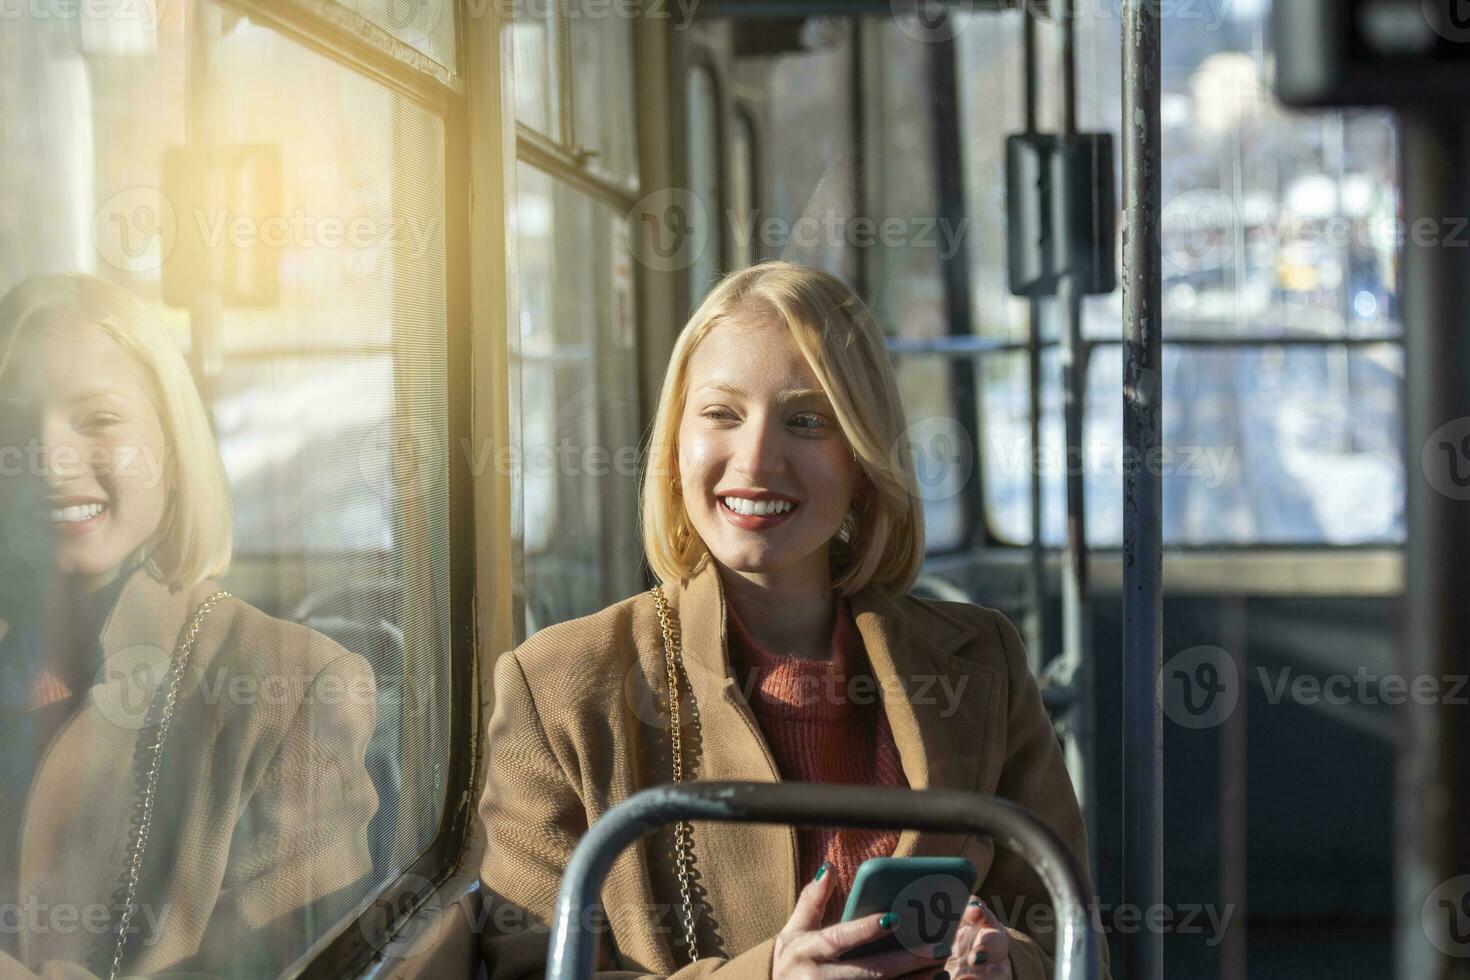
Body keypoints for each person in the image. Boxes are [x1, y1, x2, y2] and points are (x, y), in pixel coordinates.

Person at [477, 261, 1108, 979]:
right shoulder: (558, 687)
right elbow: (524, 968)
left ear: (863, 458)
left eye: (806, 421)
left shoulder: (980, 662)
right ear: (676, 444)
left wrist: (1008, 968)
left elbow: (1069, 946)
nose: (755, 459)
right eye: (721, 414)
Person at [0, 274, 379, 979]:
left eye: (98, 420)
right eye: (16, 425)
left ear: (173, 447)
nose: (47, 462)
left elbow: (301, 960)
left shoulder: (297, 689)